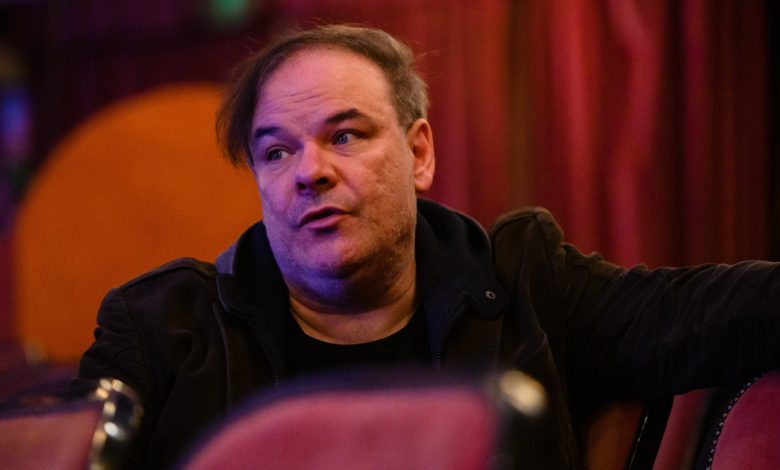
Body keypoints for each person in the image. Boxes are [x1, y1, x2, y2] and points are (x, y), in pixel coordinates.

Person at [71, 24, 780, 469]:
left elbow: (726, 312)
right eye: (276, 151)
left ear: (419, 154)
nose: (310, 171)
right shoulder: (161, 330)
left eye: (344, 135)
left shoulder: (528, 285)